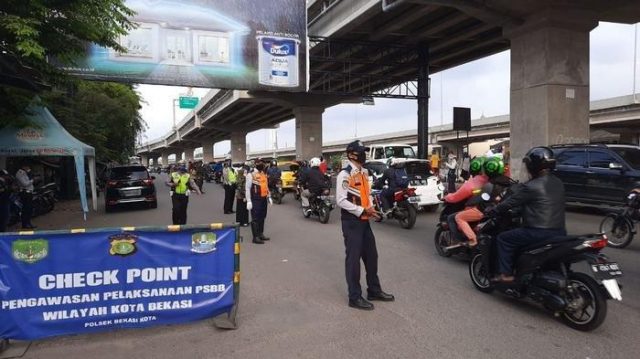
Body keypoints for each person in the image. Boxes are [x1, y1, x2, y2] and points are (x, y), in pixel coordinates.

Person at [486, 147, 566, 283]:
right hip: (560, 231)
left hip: (537, 231)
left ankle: (505, 274)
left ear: (533, 165)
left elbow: (509, 203)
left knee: (503, 239)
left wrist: (494, 210)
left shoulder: (531, 186)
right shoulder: (558, 183)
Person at [337, 140, 394, 310]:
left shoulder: (363, 172)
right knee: (353, 260)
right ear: (351, 154)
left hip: (364, 220)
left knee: (371, 257)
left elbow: (366, 193)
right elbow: (341, 200)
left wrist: (371, 208)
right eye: (362, 151)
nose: (365, 154)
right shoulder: (344, 174)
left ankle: (374, 290)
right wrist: (362, 211)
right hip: (352, 222)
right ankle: (354, 297)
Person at [453, 157, 505, 247]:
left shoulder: (489, 184)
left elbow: (478, 198)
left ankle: (473, 240)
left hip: (485, 210)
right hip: (499, 210)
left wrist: (469, 203)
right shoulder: (506, 181)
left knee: (459, 217)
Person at [443, 157, 488, 243]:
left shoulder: (473, 183)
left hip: (479, 209)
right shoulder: (491, 180)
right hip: (491, 208)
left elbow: (455, 197)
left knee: (454, 217)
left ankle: (469, 240)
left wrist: (447, 197)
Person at [246, 158, 271, 244]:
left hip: (263, 198)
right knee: (255, 218)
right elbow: (247, 188)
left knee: (262, 217)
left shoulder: (263, 173)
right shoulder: (251, 174)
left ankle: (261, 234)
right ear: (256, 164)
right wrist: (249, 200)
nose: (262, 164)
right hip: (255, 199)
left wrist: (269, 196)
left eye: (263, 163)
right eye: (260, 163)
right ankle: (255, 237)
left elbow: (266, 185)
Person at [15, 162, 36, 229]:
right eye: (28, 167)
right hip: (25, 193)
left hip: (29, 193)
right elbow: (25, 184)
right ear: (24, 166)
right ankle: (24, 224)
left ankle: (28, 223)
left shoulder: (25, 173)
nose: (28, 169)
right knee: (26, 209)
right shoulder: (20, 173)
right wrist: (33, 180)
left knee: (29, 209)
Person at [235, 161, 252, 227]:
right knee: (244, 209)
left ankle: (239, 222)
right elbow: (242, 186)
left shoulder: (239, 172)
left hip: (239, 195)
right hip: (242, 195)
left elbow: (239, 185)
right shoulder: (244, 173)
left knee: (239, 209)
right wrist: (245, 195)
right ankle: (244, 222)